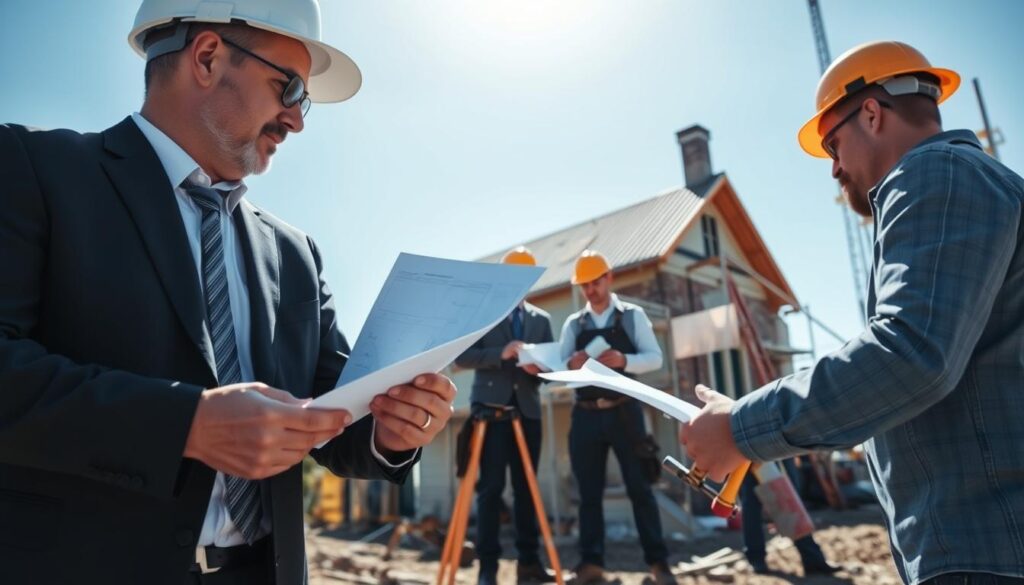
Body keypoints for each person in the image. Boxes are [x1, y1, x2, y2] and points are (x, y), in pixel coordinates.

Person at [0, 2, 456, 584]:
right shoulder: (32, 170)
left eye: (304, 100)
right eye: (287, 87)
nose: (297, 120)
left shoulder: (295, 253)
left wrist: (391, 431)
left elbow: (332, 409)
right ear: (208, 57)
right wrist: (186, 424)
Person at [681, 40, 1024, 585]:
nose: (835, 168)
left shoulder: (937, 173)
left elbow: (909, 354)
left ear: (871, 112)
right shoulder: (965, 181)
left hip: (987, 547)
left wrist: (741, 428)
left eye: (834, 144)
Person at [559, 251, 676, 585]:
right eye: (585, 286)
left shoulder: (632, 316)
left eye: (595, 282)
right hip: (585, 416)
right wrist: (571, 364)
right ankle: (591, 564)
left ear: (609, 278)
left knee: (640, 488)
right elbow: (560, 366)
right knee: (588, 493)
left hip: (626, 412)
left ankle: (659, 564)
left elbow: (654, 358)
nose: (591, 290)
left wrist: (624, 359)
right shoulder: (573, 324)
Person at [455, 246, 557, 585]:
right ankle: (488, 568)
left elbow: (551, 370)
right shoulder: (484, 313)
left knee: (527, 488)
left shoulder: (541, 321)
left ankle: (529, 563)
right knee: (490, 490)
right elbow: (463, 357)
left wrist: (537, 367)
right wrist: (501, 353)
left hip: (527, 413)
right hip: (490, 412)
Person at [738, 460, 836, 575]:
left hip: (774, 447)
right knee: (753, 503)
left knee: (790, 498)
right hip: (751, 449)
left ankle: (812, 558)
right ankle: (756, 559)